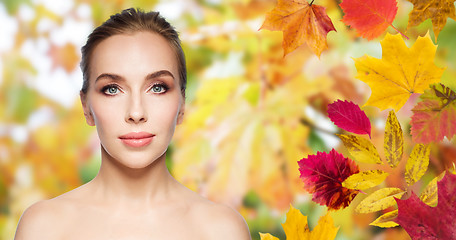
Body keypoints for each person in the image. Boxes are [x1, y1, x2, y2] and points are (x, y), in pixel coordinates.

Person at [14, 8, 251, 240]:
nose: (136, 112)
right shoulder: (44, 227)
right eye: (112, 89)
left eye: (158, 88)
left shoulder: (221, 230)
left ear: (182, 104)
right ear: (86, 107)